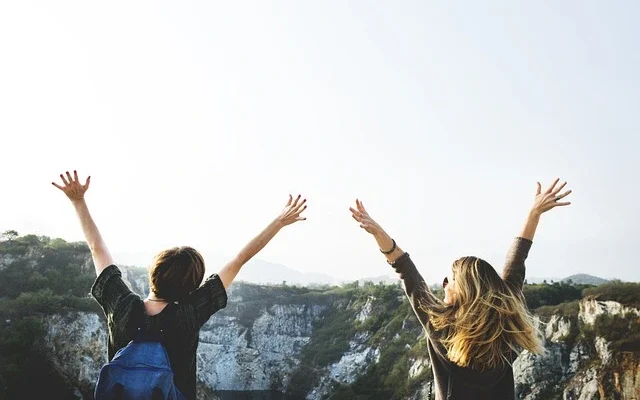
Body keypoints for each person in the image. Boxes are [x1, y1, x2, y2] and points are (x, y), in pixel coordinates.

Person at [52, 170, 307, 400]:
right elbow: (239, 260)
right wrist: (279, 222)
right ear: (192, 286)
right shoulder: (188, 313)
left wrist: (78, 201)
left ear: (154, 272)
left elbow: (97, 248)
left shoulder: (123, 306)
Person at [349, 178, 572, 399]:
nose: (444, 284)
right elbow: (517, 258)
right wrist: (534, 213)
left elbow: (406, 270)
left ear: (463, 291)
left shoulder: (440, 327)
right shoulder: (506, 325)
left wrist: (378, 233)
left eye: (450, 280)